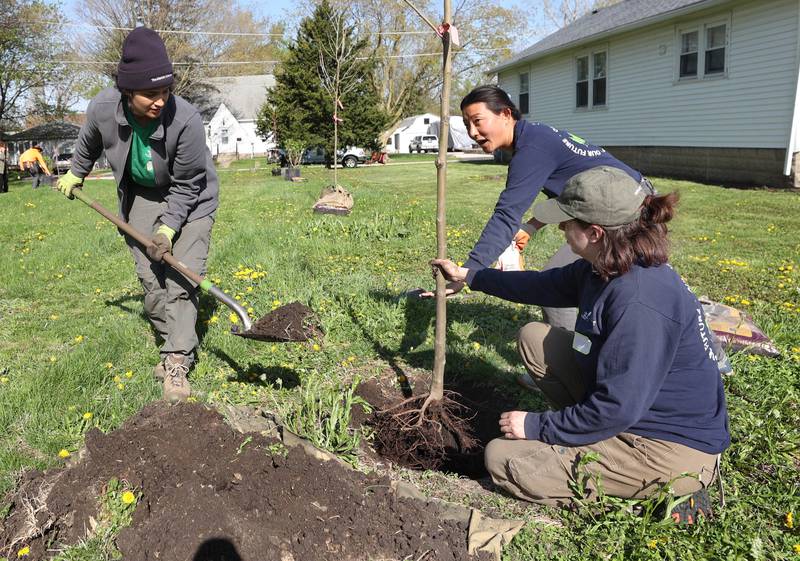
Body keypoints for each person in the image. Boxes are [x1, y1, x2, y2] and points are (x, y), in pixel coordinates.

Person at [430, 166, 730, 517]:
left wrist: (537, 426)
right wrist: (471, 277)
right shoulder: (606, 264)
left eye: (568, 222)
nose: (560, 228)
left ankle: (678, 489)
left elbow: (619, 407)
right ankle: (590, 437)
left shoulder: (640, 300)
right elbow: (541, 286)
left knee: (501, 459)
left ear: (596, 232)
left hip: (666, 447)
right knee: (534, 337)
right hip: (632, 410)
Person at [56, 26, 219, 402]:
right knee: (151, 278)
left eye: (165, 91)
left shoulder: (186, 120)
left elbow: (189, 184)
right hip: (142, 194)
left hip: (191, 200)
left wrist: (168, 230)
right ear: (127, 91)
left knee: (181, 275)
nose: (160, 100)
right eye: (150, 93)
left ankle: (177, 358)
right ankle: (171, 339)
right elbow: (89, 142)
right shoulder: (102, 108)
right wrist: (76, 172)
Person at [425, 85, 653, 336]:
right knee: (609, 279)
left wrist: (467, 272)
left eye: (478, 121)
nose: (472, 132)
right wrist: (532, 226)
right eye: (467, 124)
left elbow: (506, 215)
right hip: (630, 202)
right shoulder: (535, 136)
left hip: (628, 212)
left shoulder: (532, 150)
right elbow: (572, 195)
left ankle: (568, 360)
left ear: (506, 114)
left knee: (559, 284)